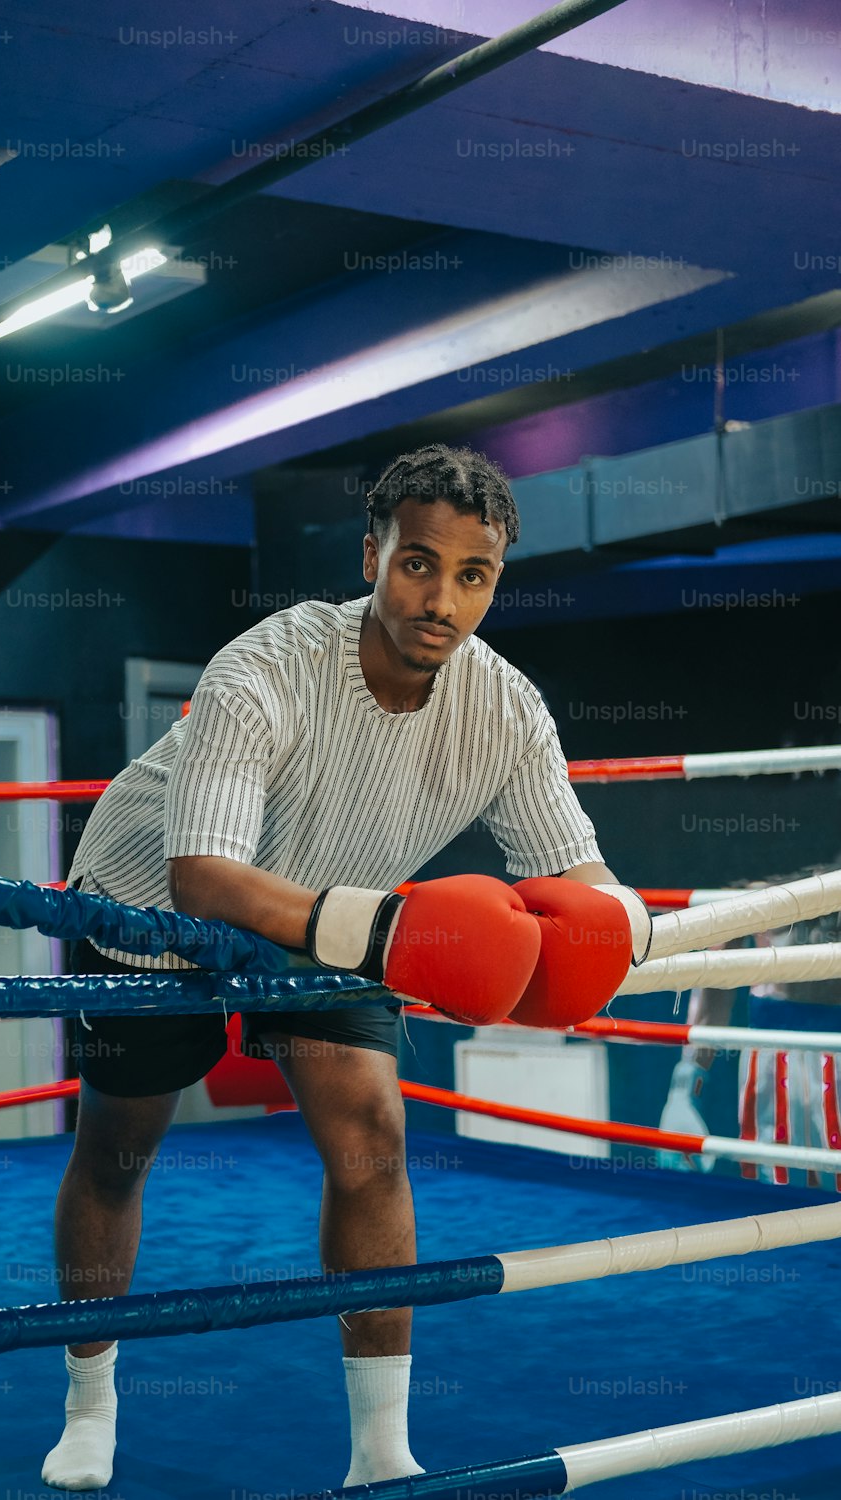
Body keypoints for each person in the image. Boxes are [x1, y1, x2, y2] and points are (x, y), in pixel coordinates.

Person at [41, 442, 639, 1490]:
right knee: (119, 1147)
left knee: (371, 1134)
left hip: (333, 913)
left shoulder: (504, 706)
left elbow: (580, 876)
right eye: (418, 562)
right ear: (371, 556)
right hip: (152, 904)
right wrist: (393, 936)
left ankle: (380, 1451)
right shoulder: (264, 664)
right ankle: (90, 1396)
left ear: (494, 582)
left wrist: (617, 929)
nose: (440, 599)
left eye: (472, 575)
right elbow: (205, 879)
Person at [658, 862, 841, 1186]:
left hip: (814, 1046)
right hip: (774, 1055)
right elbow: (714, 982)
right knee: (776, 1189)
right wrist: (685, 1088)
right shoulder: (759, 882)